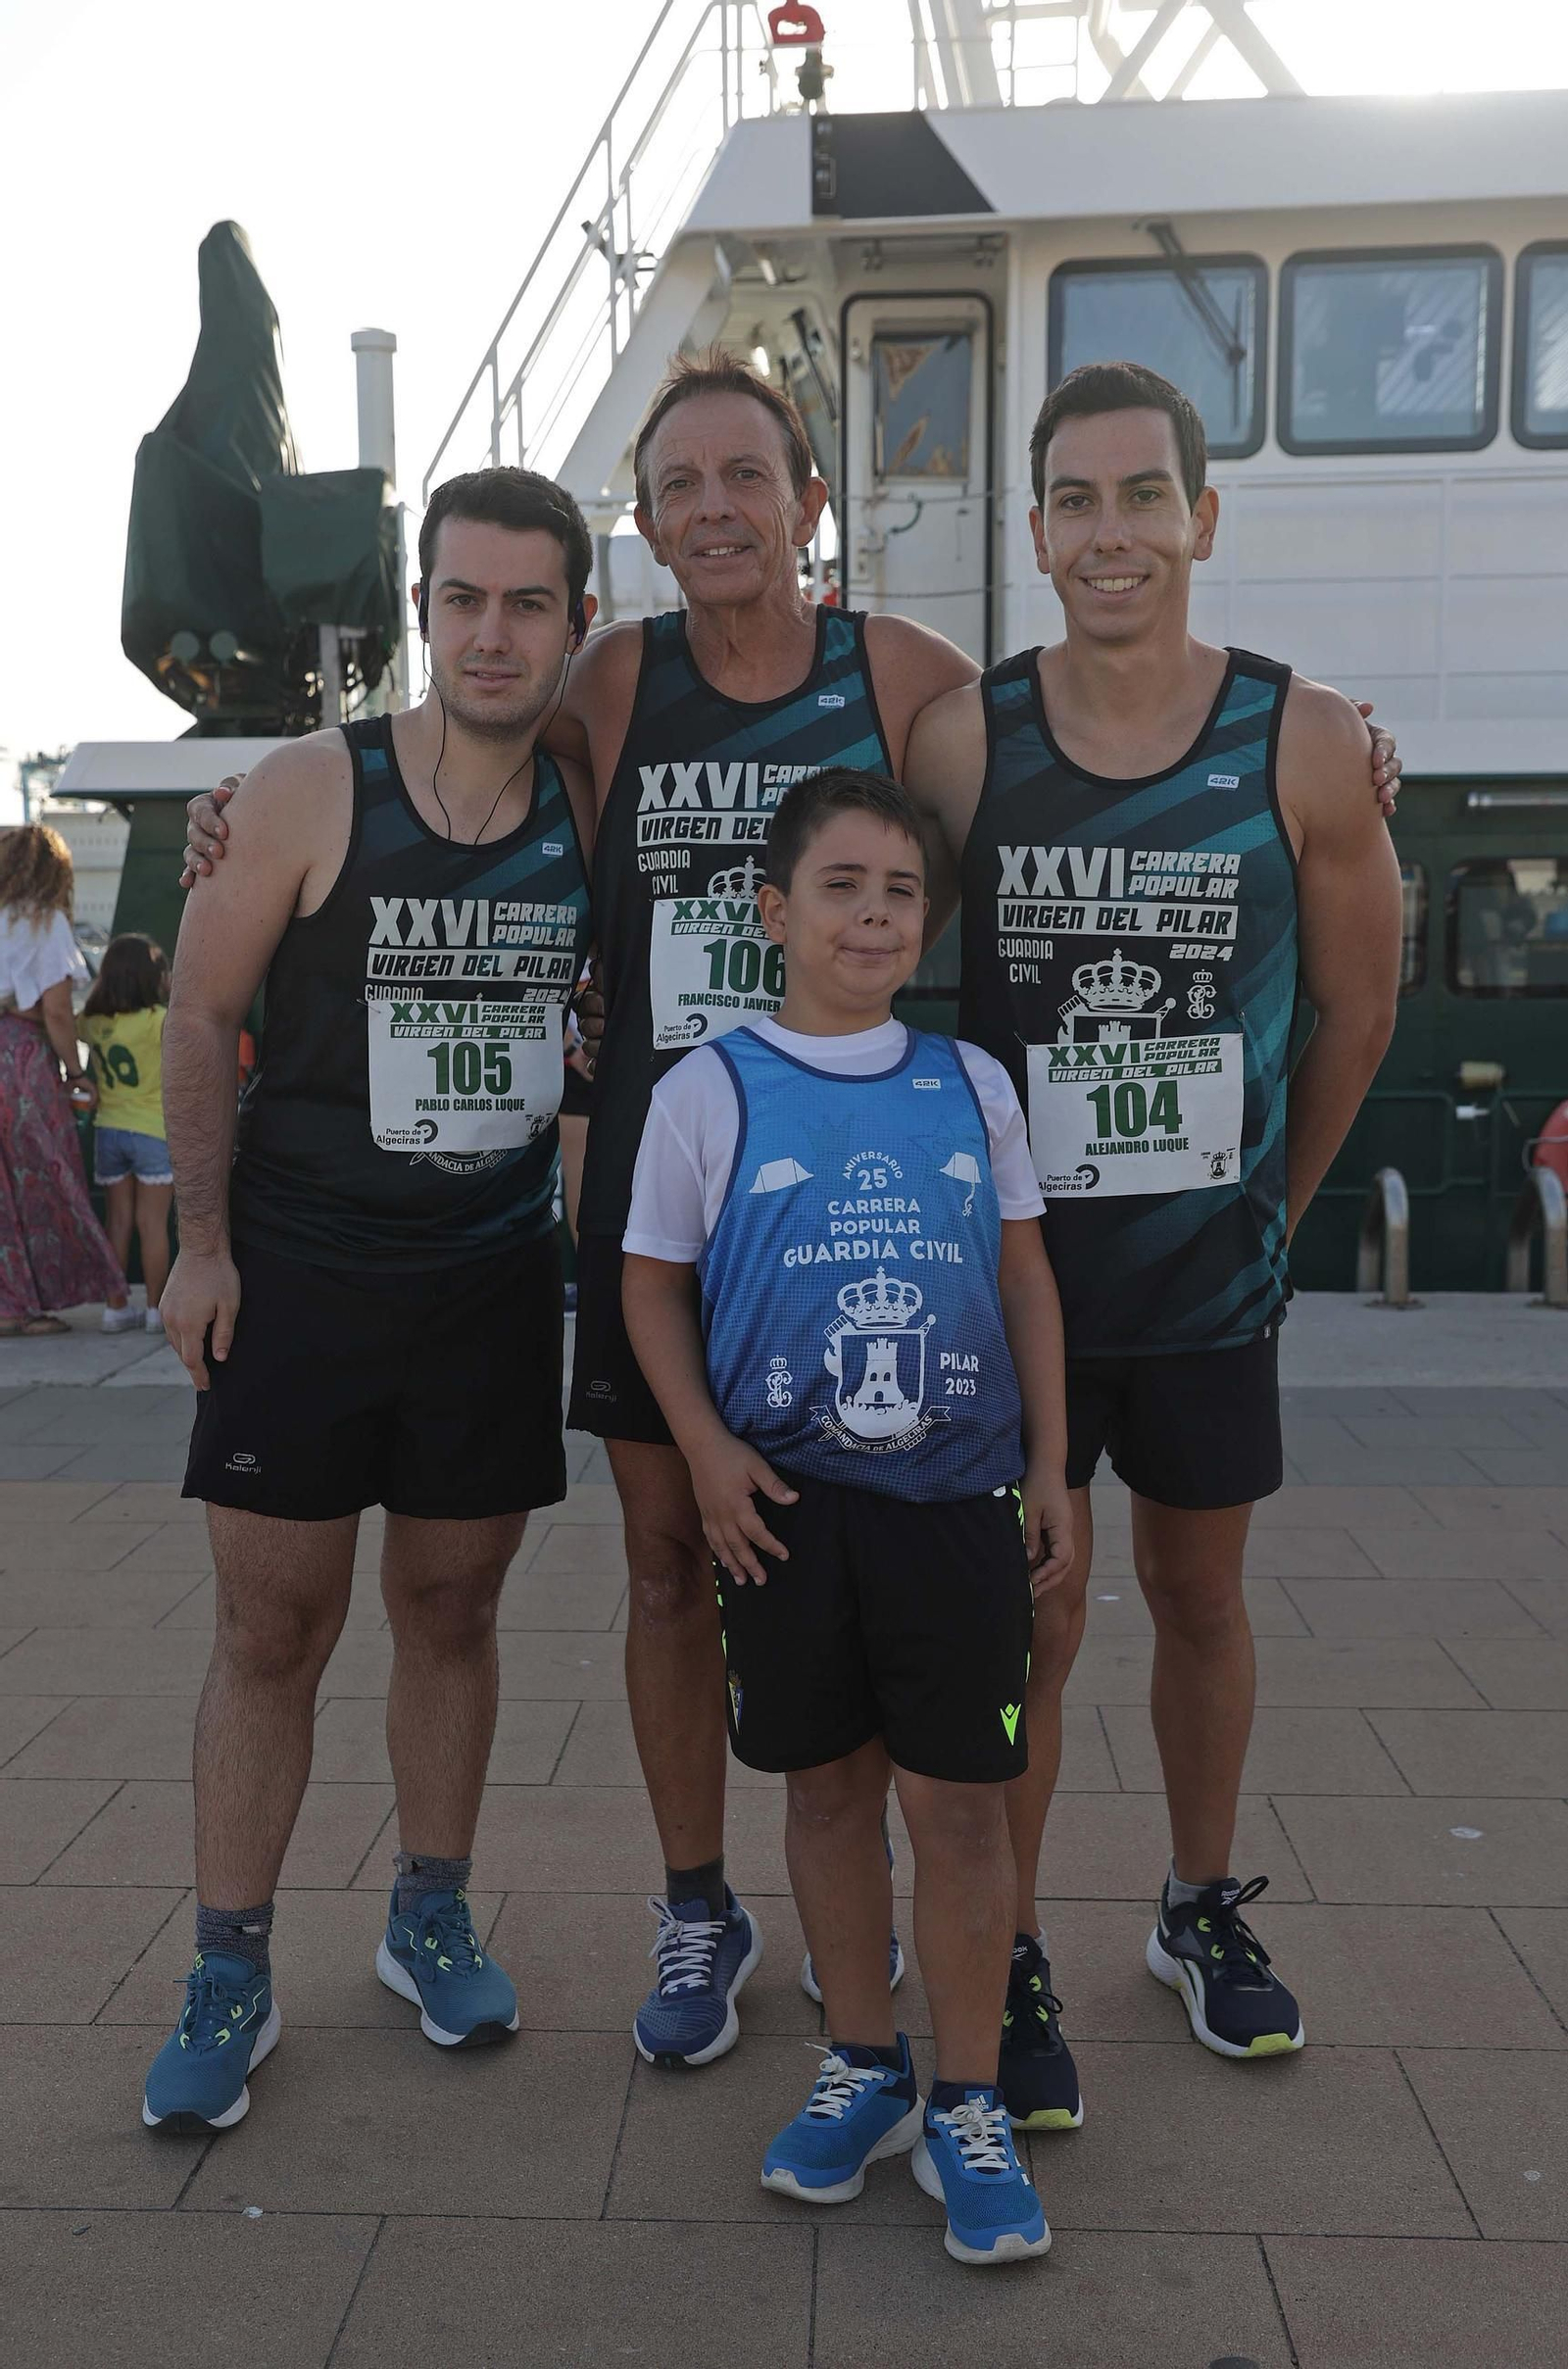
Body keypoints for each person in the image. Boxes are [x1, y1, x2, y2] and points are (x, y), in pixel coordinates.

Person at [177, 349, 1403, 2074]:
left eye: (747, 476)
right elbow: (464, 750)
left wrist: (1348, 761)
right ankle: (701, 1905)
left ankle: (1000, 1923)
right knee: (676, 1567)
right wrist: (249, 805)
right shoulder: (609, 682)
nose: (715, 509)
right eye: (679, 484)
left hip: (891, 1225)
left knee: (922, 1580)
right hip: (677, 1229)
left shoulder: (908, 682)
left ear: (810, 501)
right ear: (651, 523)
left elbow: (1093, 770)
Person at [903, 361, 1405, 2122]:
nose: (1110, 533)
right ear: (1035, 531)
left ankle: (1196, 1902)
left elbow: (1356, 1007)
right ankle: (1012, 1934)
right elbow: (878, 934)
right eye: (1075, 501)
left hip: (1204, 1288)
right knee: (1033, 1615)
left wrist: (1278, 1207)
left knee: (1199, 1593)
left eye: (1142, 496)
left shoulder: (1304, 736)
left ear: (1202, 515)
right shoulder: (969, 739)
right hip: (1012, 1289)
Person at [142, 467, 597, 2135]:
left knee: (455, 1613)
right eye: (463, 599)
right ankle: (227, 1966)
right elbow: (200, 1014)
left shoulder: (585, 798)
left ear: (573, 622)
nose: (492, 632)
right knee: (272, 1629)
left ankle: (428, 1909)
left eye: (526, 602)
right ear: (423, 614)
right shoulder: (307, 788)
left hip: (485, 1285)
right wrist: (200, 1245)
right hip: (303, 1281)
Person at [622, 768, 1068, 2265]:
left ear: (924, 922)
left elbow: (1023, 1283)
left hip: (955, 1502)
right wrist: (699, 1448)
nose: (871, 914)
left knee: (956, 1806)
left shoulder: (972, 1083)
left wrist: (1054, 1463)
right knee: (823, 1793)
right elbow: (648, 1285)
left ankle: (968, 2095)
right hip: (790, 1510)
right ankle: (863, 2062)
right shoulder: (709, 1087)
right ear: (775, 910)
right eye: (841, 886)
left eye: (897, 893)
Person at [0, 823, 129, 1338]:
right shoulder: (44, 922)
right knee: (48, 1173)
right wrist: (76, 1073)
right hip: (20, 1061)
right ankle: (95, 1290)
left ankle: (10, 1305)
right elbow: (56, 1012)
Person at [82, 932, 173, 1334]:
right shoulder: (158, 1021)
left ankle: (116, 1307)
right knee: (152, 1224)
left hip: (109, 1131)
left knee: (117, 1222)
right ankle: (156, 1310)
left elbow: (71, 1033)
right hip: (152, 1130)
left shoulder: (92, 1021)